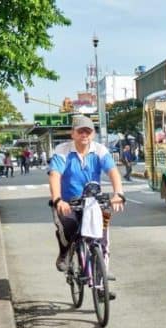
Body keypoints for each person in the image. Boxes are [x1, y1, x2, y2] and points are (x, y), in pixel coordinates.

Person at [48, 115, 125, 293]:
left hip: (93, 201)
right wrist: (58, 199)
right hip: (68, 202)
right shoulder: (62, 151)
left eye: (88, 131)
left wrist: (119, 193)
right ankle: (65, 253)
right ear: (72, 133)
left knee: (101, 238)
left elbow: (113, 172)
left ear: (93, 134)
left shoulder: (99, 150)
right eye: (80, 131)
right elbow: (55, 176)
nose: (84, 134)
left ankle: (101, 282)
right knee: (69, 225)